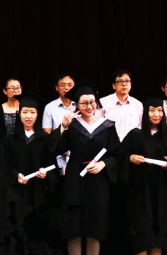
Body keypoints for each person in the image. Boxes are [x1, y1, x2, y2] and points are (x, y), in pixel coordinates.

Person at [56, 79, 121, 255]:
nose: (89, 106)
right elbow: (57, 149)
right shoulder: (71, 126)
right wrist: (63, 127)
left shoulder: (107, 126)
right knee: (74, 231)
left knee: (95, 230)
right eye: (84, 103)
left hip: (98, 184)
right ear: (77, 105)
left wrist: (103, 164)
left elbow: (116, 154)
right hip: (75, 182)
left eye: (92, 102)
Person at [120, 94, 167, 255]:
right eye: (152, 110)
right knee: (142, 229)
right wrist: (130, 158)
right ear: (145, 113)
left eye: (160, 110)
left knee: (159, 231)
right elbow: (120, 157)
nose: (156, 114)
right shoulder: (135, 135)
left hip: (163, 191)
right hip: (141, 191)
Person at [0, 92, 57, 255]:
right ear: (19, 114)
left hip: (39, 192)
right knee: (17, 228)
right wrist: (15, 175)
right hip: (16, 193)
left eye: (32, 112)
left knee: (38, 231)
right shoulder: (9, 139)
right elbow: (5, 164)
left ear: (37, 114)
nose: (28, 116)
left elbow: (51, 162)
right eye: (25, 112)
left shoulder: (44, 139)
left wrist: (45, 172)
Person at [99, 69, 143, 142]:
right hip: (110, 144)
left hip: (132, 144)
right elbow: (98, 127)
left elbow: (140, 127)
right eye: (120, 81)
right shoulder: (103, 102)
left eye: (127, 81)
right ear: (113, 86)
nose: (124, 84)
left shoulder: (138, 104)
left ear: (130, 85)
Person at [0, 78, 22, 154]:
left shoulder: (25, 108)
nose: (16, 90)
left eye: (18, 87)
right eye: (12, 88)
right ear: (5, 91)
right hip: (3, 151)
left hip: (21, 150)